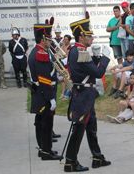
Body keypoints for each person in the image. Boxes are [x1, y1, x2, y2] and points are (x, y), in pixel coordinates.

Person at [64, 14, 111, 172]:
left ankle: (97, 157)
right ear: (81, 36)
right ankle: (70, 161)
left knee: (91, 126)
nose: (91, 38)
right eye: (89, 35)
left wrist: (96, 57)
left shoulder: (77, 50)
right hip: (84, 94)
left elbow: (88, 68)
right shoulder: (80, 52)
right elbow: (97, 73)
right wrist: (104, 58)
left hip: (85, 94)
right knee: (79, 128)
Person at [28, 21, 61, 160]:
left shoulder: (39, 51)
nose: (50, 41)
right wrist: (50, 97)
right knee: (46, 123)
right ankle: (46, 151)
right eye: (48, 39)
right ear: (42, 40)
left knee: (41, 122)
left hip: (41, 93)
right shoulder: (40, 53)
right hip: (44, 94)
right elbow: (44, 79)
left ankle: (44, 149)